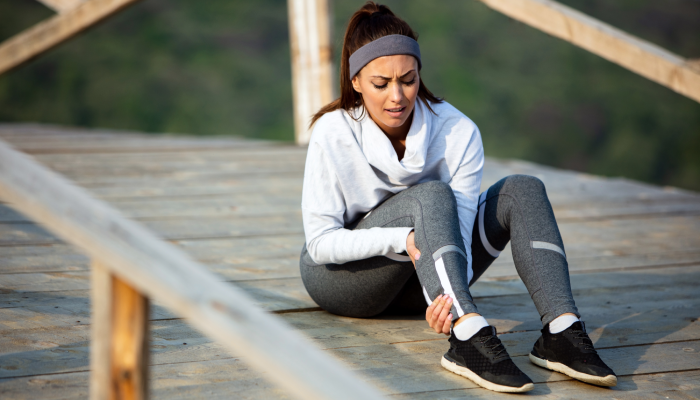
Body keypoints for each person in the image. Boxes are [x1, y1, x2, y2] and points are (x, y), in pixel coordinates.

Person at [299, 1, 616, 393]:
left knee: (522, 188)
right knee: (430, 196)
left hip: (427, 290)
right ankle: (467, 336)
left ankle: (561, 330)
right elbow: (318, 244)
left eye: (408, 80)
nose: (397, 96)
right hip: (343, 281)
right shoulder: (333, 132)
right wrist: (403, 240)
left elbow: (462, 239)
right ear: (357, 81)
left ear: (419, 74)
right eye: (381, 83)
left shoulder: (457, 132)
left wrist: (446, 294)